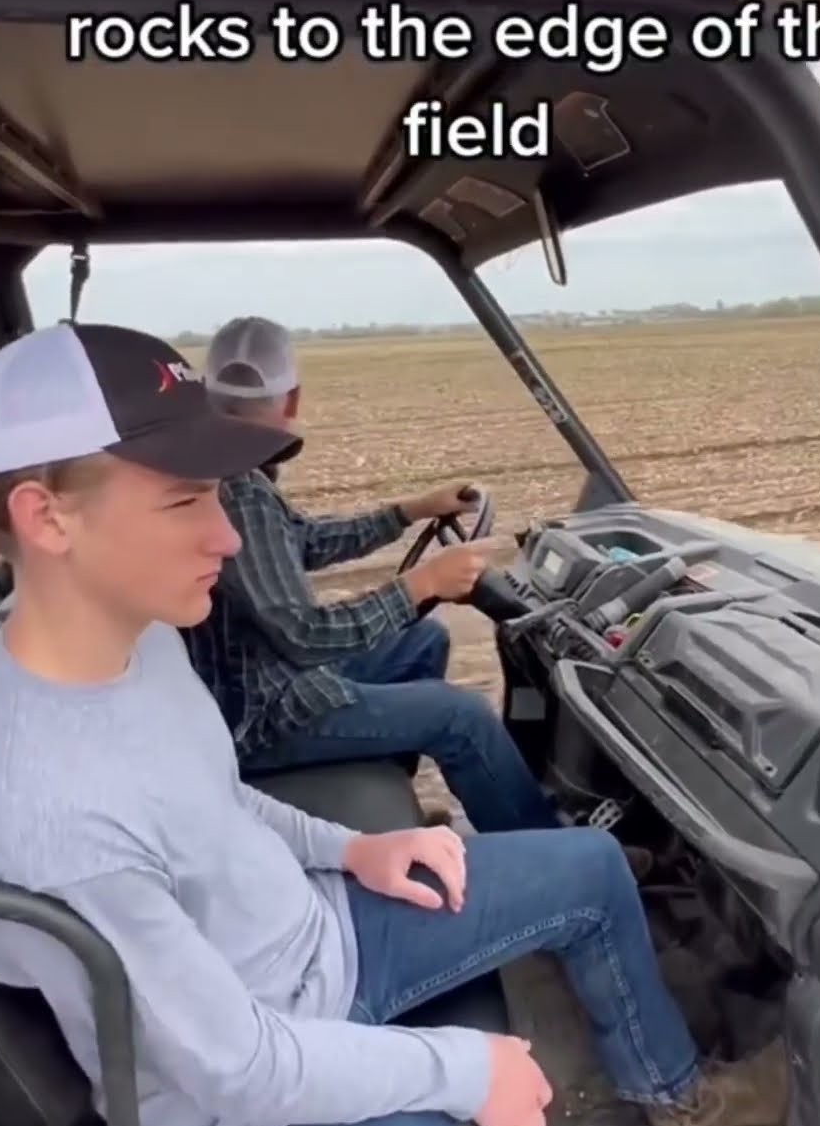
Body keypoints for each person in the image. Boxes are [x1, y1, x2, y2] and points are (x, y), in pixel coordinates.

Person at [0, 321, 788, 1126]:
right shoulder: (41, 810)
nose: (229, 537)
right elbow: (235, 1065)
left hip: (315, 942)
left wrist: (356, 849)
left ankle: (683, 1105)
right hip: (261, 1120)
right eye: (185, 499)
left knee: (592, 866)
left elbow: (216, 797)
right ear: (47, 516)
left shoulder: (132, 645)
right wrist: (464, 1067)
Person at [187, 314, 641, 857]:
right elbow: (304, 635)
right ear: (292, 399)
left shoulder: (229, 472)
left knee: (424, 641)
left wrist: (410, 510)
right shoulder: (240, 490)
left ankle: (393, 800)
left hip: (256, 682)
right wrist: (419, 585)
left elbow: (302, 540)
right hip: (264, 714)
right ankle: (561, 859)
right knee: (461, 717)